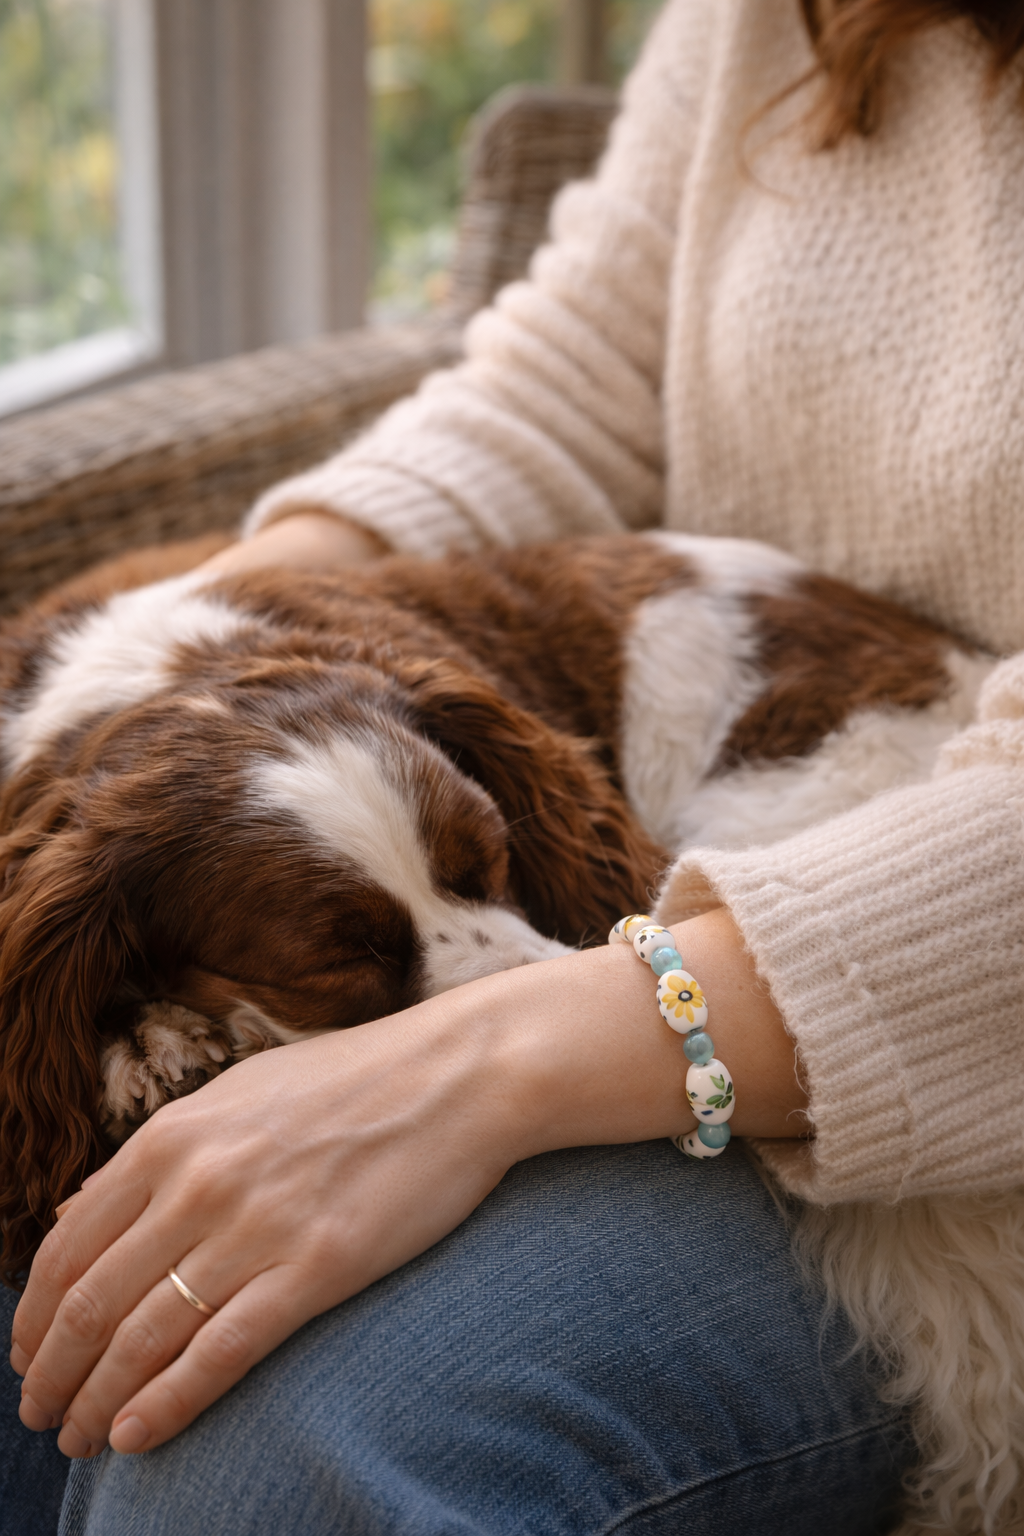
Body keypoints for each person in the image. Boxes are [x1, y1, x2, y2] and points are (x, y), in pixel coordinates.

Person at [8, 0, 1024, 1531]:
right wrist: (242, 620)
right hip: (717, 854)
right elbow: (578, 371)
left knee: (244, 1452)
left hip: (932, 1027)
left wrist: (495, 1057)